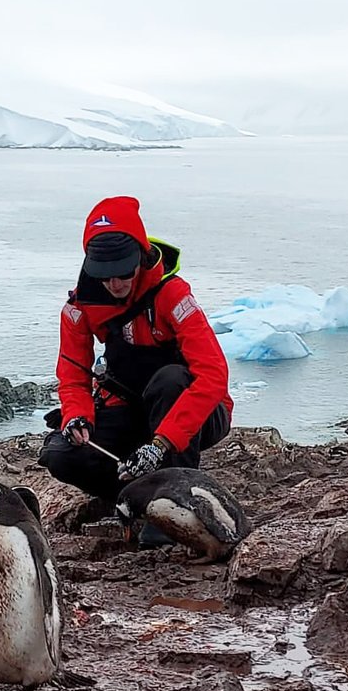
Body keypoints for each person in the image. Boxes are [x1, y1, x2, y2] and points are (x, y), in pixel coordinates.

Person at [38, 195, 233, 526]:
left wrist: (161, 444)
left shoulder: (174, 296)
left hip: (195, 417)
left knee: (170, 380)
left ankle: (177, 502)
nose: (114, 284)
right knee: (60, 455)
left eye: (122, 273)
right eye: (105, 275)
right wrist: (77, 418)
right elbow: (73, 376)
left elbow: (213, 375)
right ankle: (137, 497)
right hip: (132, 413)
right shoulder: (78, 308)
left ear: (140, 258)